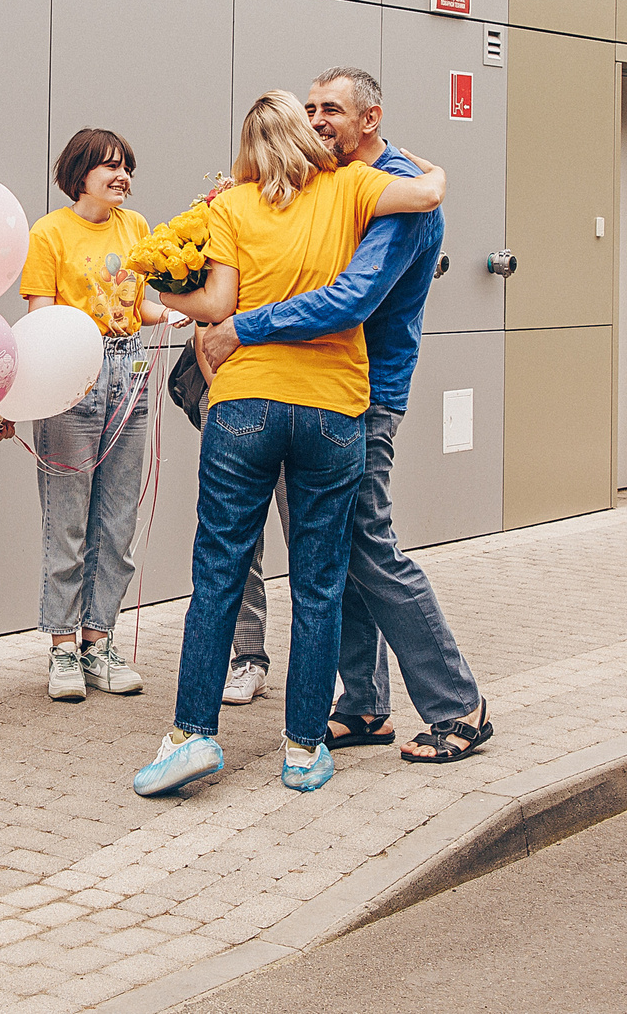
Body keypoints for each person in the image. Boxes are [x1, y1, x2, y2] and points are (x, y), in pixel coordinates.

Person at [132, 91, 443, 798]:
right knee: (320, 581)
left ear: (246, 146)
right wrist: (435, 165)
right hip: (334, 409)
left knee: (218, 570)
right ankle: (304, 749)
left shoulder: (232, 205)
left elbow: (216, 306)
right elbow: (427, 192)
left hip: (245, 403)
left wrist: (157, 293)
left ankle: (191, 736)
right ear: (311, 136)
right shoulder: (352, 185)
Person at [200, 69, 487, 764]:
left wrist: (242, 326)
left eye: (333, 108)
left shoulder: (393, 197)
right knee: (330, 548)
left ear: (370, 117)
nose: (318, 118)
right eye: (311, 107)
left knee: (365, 543)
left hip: (366, 394)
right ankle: (362, 704)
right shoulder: (332, 181)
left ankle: (459, 705)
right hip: (318, 394)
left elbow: (349, 299)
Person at [0, 128, 170, 703]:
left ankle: (100, 642)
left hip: (130, 374)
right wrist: (16, 395)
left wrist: (185, 316)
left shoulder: (136, 227)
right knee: (68, 517)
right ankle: (62, 647)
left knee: (117, 521)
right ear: (80, 173)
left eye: (127, 167)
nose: (123, 178)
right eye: (110, 167)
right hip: (72, 380)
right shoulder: (49, 233)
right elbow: (40, 323)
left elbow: (139, 303)